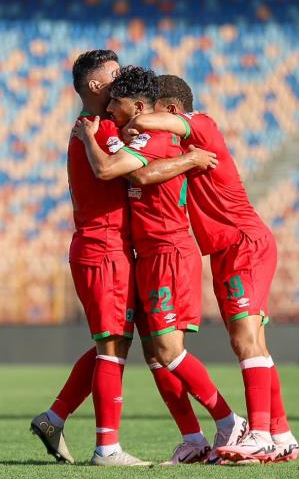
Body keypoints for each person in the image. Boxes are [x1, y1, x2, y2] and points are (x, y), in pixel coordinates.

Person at [29, 51, 216, 467]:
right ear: (95, 86)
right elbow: (120, 171)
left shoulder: (102, 126)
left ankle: (55, 417)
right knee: (112, 347)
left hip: (116, 250)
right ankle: (107, 447)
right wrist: (189, 153)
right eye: (112, 74)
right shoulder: (96, 128)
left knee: (117, 344)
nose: (119, 78)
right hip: (105, 248)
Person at [120, 74, 299, 464]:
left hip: (241, 243)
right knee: (255, 342)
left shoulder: (201, 124)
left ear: (169, 109)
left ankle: (260, 435)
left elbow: (155, 124)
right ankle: (281, 433)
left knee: (244, 339)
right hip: (227, 249)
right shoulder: (179, 145)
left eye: (154, 109)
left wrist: (134, 117)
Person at [75, 66, 247, 465]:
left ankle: (228, 420)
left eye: (116, 104)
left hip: (169, 252)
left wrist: (90, 138)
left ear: (136, 105)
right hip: (148, 255)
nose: (111, 111)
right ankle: (193, 439)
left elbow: (118, 170)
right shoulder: (135, 136)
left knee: (168, 350)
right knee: (155, 354)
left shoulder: (154, 137)